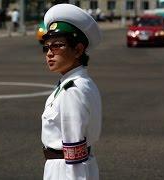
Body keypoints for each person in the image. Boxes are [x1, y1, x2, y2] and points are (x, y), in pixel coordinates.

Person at [40, 4, 103, 180]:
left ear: (78, 50)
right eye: (47, 47)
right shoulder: (78, 83)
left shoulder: (72, 91)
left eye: (57, 46)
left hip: (65, 172)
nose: (49, 53)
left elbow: (74, 150)